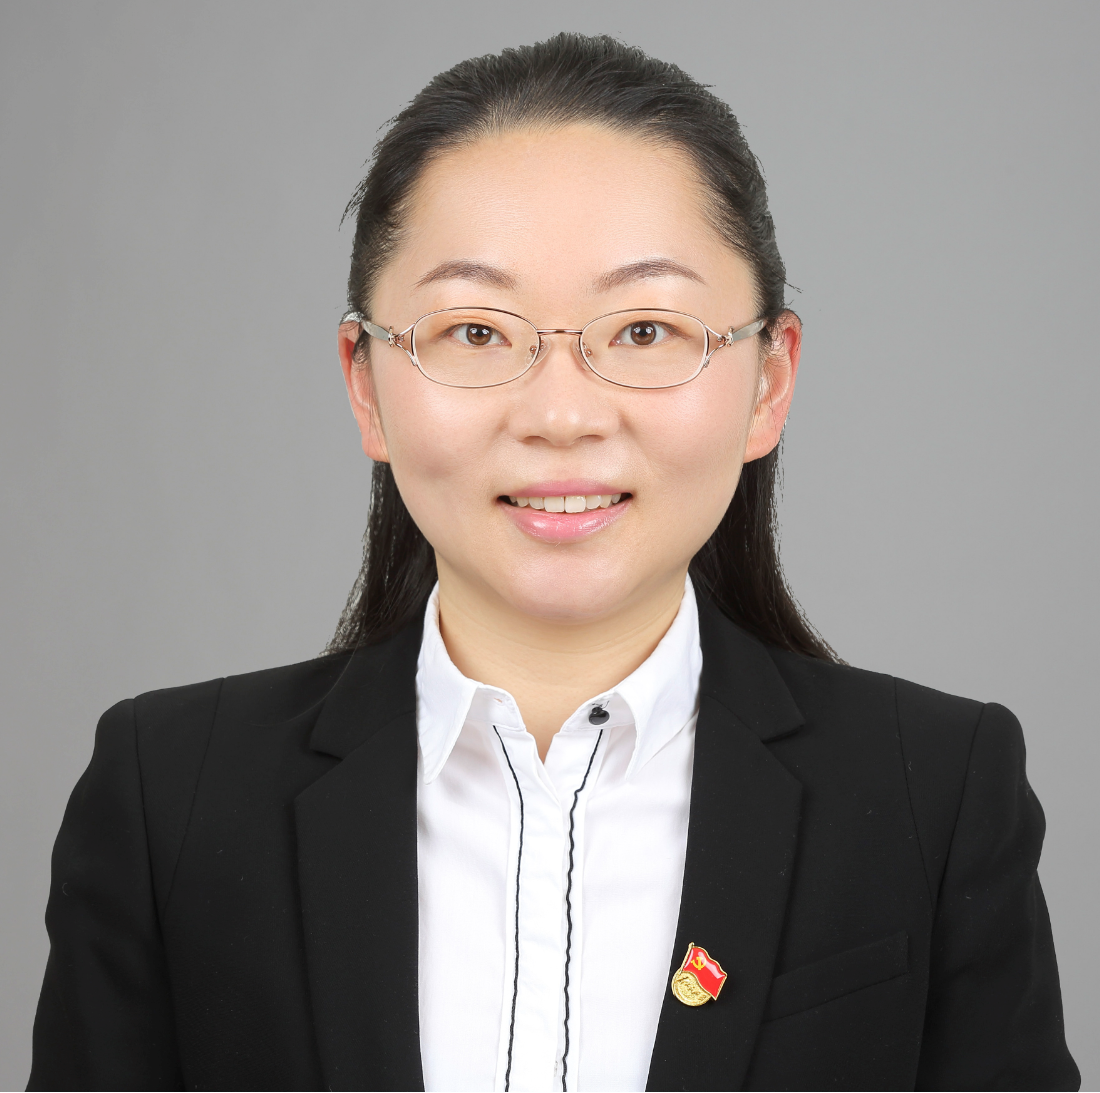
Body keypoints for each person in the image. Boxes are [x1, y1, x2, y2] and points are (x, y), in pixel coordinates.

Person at [28, 32, 1079, 1093]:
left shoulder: (931, 796)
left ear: (767, 380)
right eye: (477, 333)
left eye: (644, 330)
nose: (562, 415)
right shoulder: (174, 799)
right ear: (366, 383)